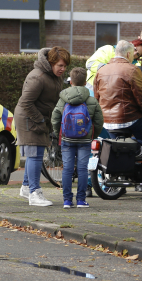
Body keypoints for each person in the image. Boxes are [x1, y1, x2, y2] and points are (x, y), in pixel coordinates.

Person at [15, 46, 70, 207]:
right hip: (29, 118)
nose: (63, 69)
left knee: (37, 153)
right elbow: (25, 102)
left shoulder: (53, 76)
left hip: (39, 118)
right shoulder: (38, 77)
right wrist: (39, 120)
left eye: (65, 66)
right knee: (35, 154)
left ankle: (26, 187)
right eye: (60, 65)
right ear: (51, 63)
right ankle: (34, 193)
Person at [51, 67, 104, 209]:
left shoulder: (63, 99)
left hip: (67, 139)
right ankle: (81, 200)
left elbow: (55, 118)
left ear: (71, 82)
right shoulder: (91, 100)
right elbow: (99, 121)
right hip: (85, 140)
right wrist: (93, 135)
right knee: (82, 169)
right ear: (85, 81)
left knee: (67, 169)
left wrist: (59, 134)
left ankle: (67, 200)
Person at [93, 40, 142, 160]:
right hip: (129, 118)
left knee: (113, 145)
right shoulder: (132, 70)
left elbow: (97, 97)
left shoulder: (101, 71)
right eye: (133, 54)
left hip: (107, 121)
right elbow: (141, 98)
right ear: (128, 54)